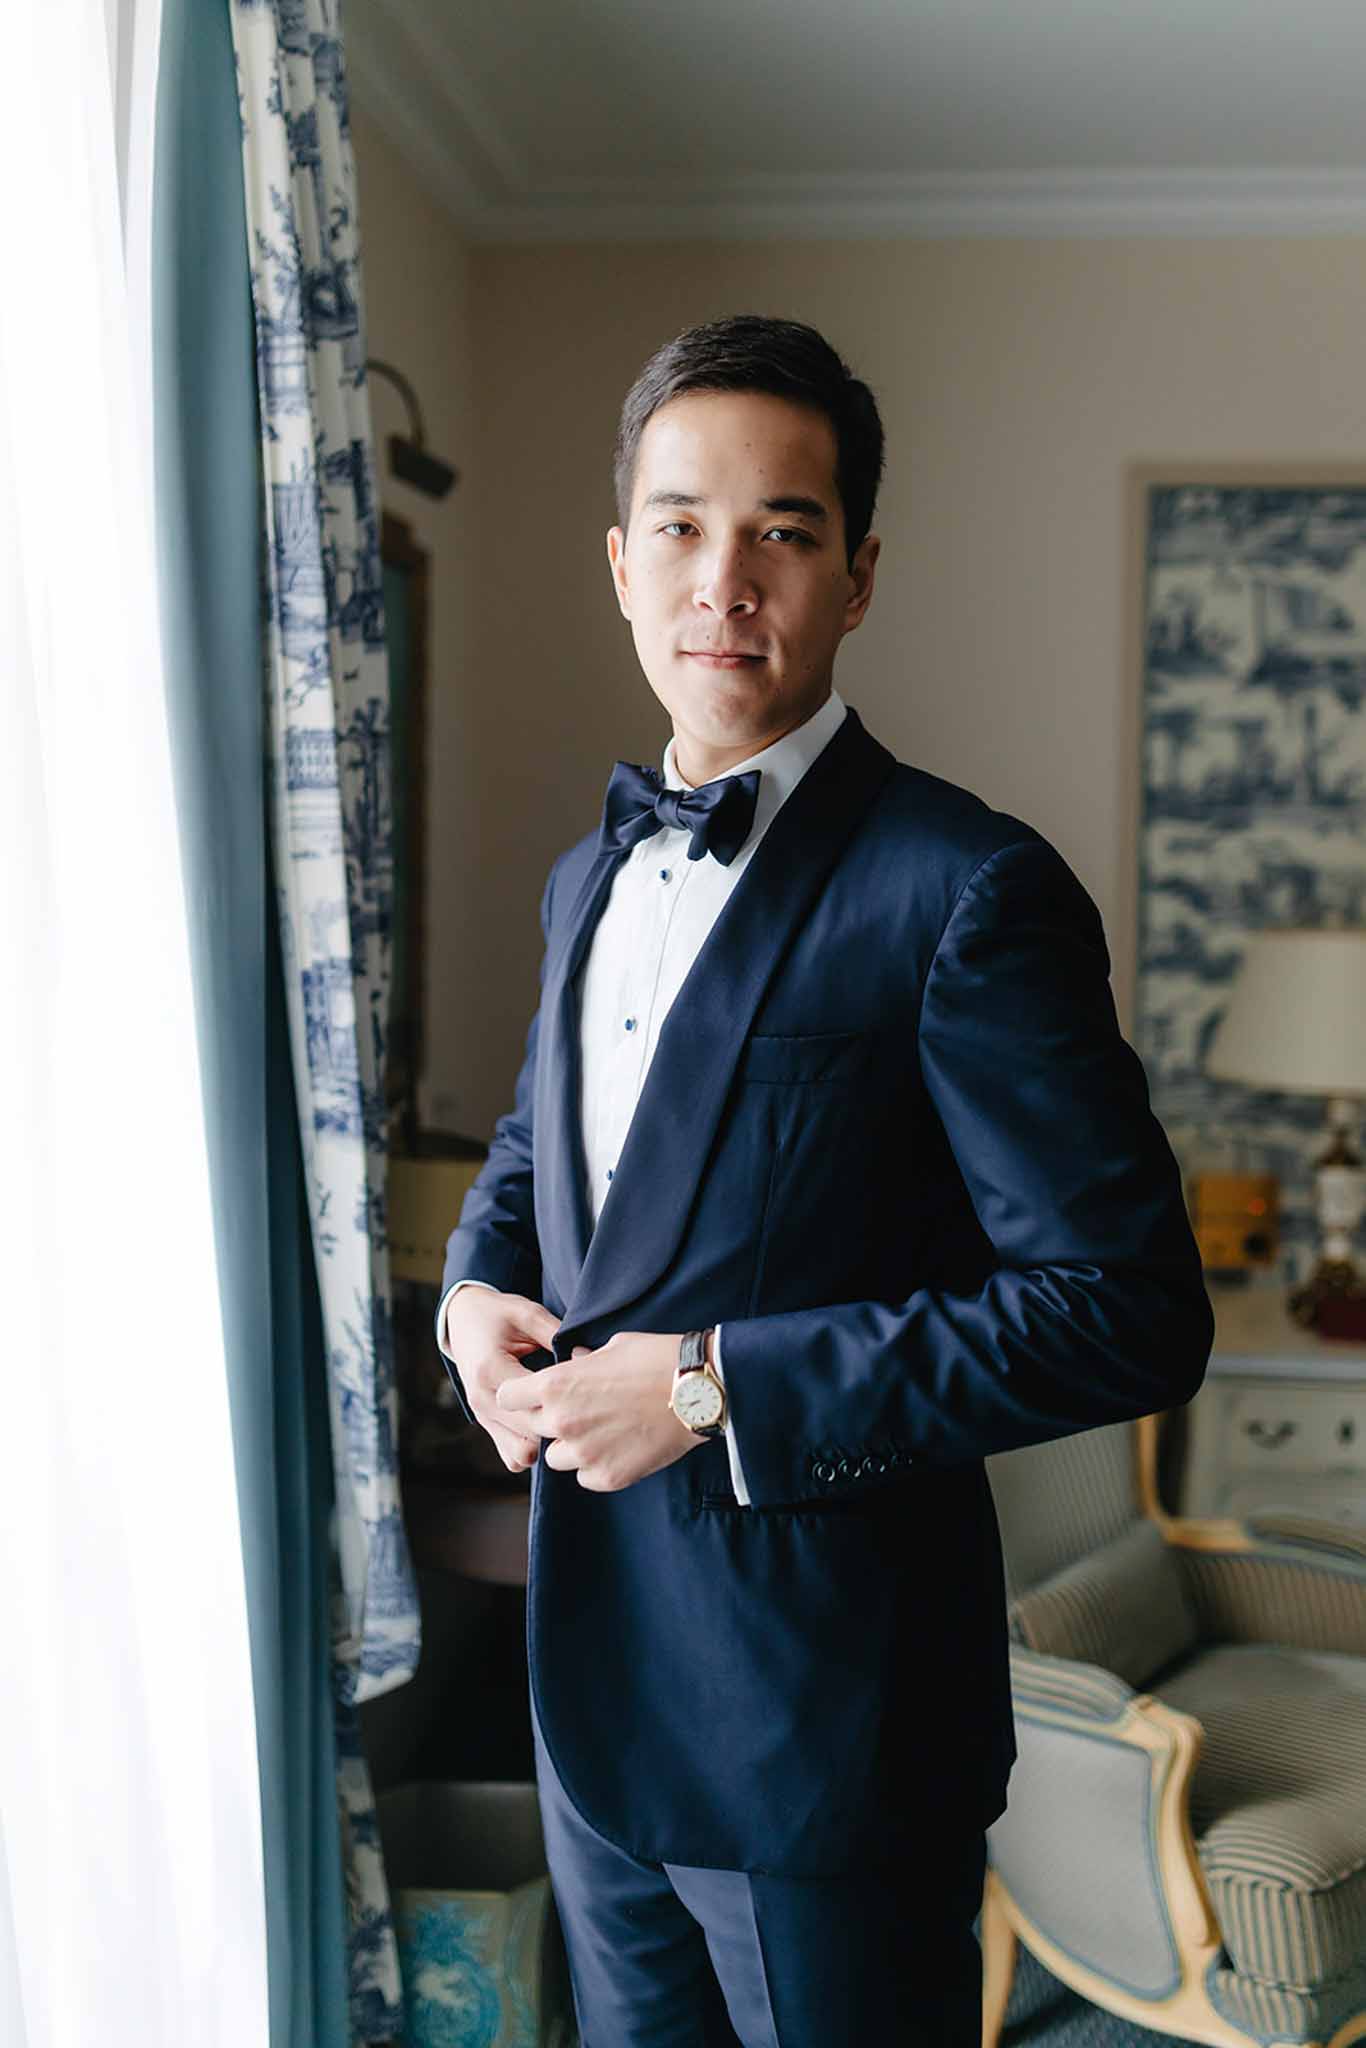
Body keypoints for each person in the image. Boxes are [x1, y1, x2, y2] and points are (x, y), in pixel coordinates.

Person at [434, 313, 1213, 2046]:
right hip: (585, 1703)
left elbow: (1123, 1314)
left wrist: (714, 1386)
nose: (726, 577)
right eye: (683, 526)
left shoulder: (966, 888)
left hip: (822, 1723)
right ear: (620, 563)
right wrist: (470, 1296)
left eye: (782, 531)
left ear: (855, 578)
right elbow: (538, 1152)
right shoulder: (587, 875)